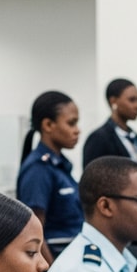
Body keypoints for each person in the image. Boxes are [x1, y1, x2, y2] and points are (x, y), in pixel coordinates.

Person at [17, 90, 84, 261]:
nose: (77, 131)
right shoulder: (38, 169)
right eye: (71, 123)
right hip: (57, 261)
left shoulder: (60, 166)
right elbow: (32, 232)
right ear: (48, 125)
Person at [81, 78, 137, 174]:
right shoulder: (99, 138)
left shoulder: (132, 136)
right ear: (113, 101)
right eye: (132, 100)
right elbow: (92, 179)